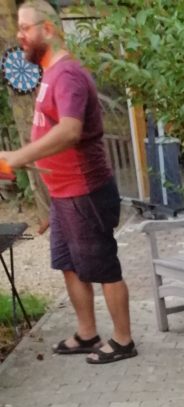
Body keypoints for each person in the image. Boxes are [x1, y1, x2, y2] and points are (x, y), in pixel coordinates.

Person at [0, 0, 136, 365]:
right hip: (64, 194)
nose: (19, 35)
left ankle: (123, 340)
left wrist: (18, 156)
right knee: (68, 263)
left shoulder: (68, 75)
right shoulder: (49, 73)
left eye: (25, 28)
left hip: (85, 191)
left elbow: (70, 130)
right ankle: (87, 333)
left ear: (48, 29)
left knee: (103, 266)